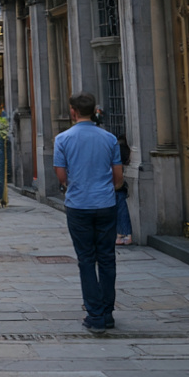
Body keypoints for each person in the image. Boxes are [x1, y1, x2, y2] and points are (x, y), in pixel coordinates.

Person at [53, 92, 124, 334]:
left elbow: (61, 176)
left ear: (73, 111)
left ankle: (94, 315)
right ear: (94, 111)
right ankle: (107, 312)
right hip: (105, 204)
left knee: (86, 259)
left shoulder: (63, 139)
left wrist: (69, 186)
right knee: (107, 258)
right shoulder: (109, 138)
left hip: (79, 205)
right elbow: (118, 177)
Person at [115, 133, 134, 246]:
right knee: (121, 210)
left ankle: (123, 234)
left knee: (120, 211)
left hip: (116, 185)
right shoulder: (125, 150)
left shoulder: (117, 151)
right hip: (120, 185)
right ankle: (123, 234)